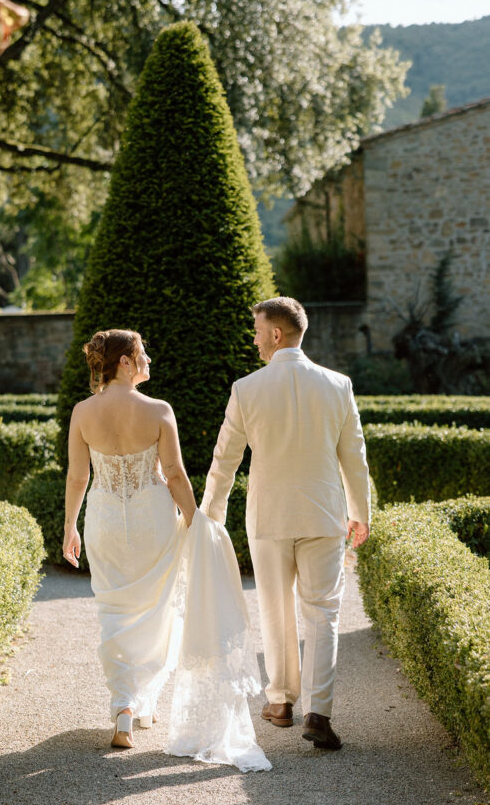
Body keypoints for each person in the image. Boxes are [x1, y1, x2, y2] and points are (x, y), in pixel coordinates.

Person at [63, 328, 271, 772]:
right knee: (157, 611)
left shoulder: (82, 411)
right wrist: (197, 523)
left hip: (102, 519)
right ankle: (141, 701)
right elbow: (174, 474)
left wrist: (69, 525)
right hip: (153, 518)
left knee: (114, 609)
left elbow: (78, 477)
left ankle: (125, 704)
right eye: (143, 354)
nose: (149, 359)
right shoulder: (159, 411)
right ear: (124, 362)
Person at [201, 297, 371, 751]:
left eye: (257, 331)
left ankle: (279, 703)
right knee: (323, 614)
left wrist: (210, 518)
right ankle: (318, 712)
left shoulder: (247, 388)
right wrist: (361, 513)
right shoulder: (338, 385)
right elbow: (354, 458)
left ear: (276, 334)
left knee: (274, 608)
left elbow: (225, 461)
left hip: (269, 518)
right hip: (323, 515)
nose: (254, 340)